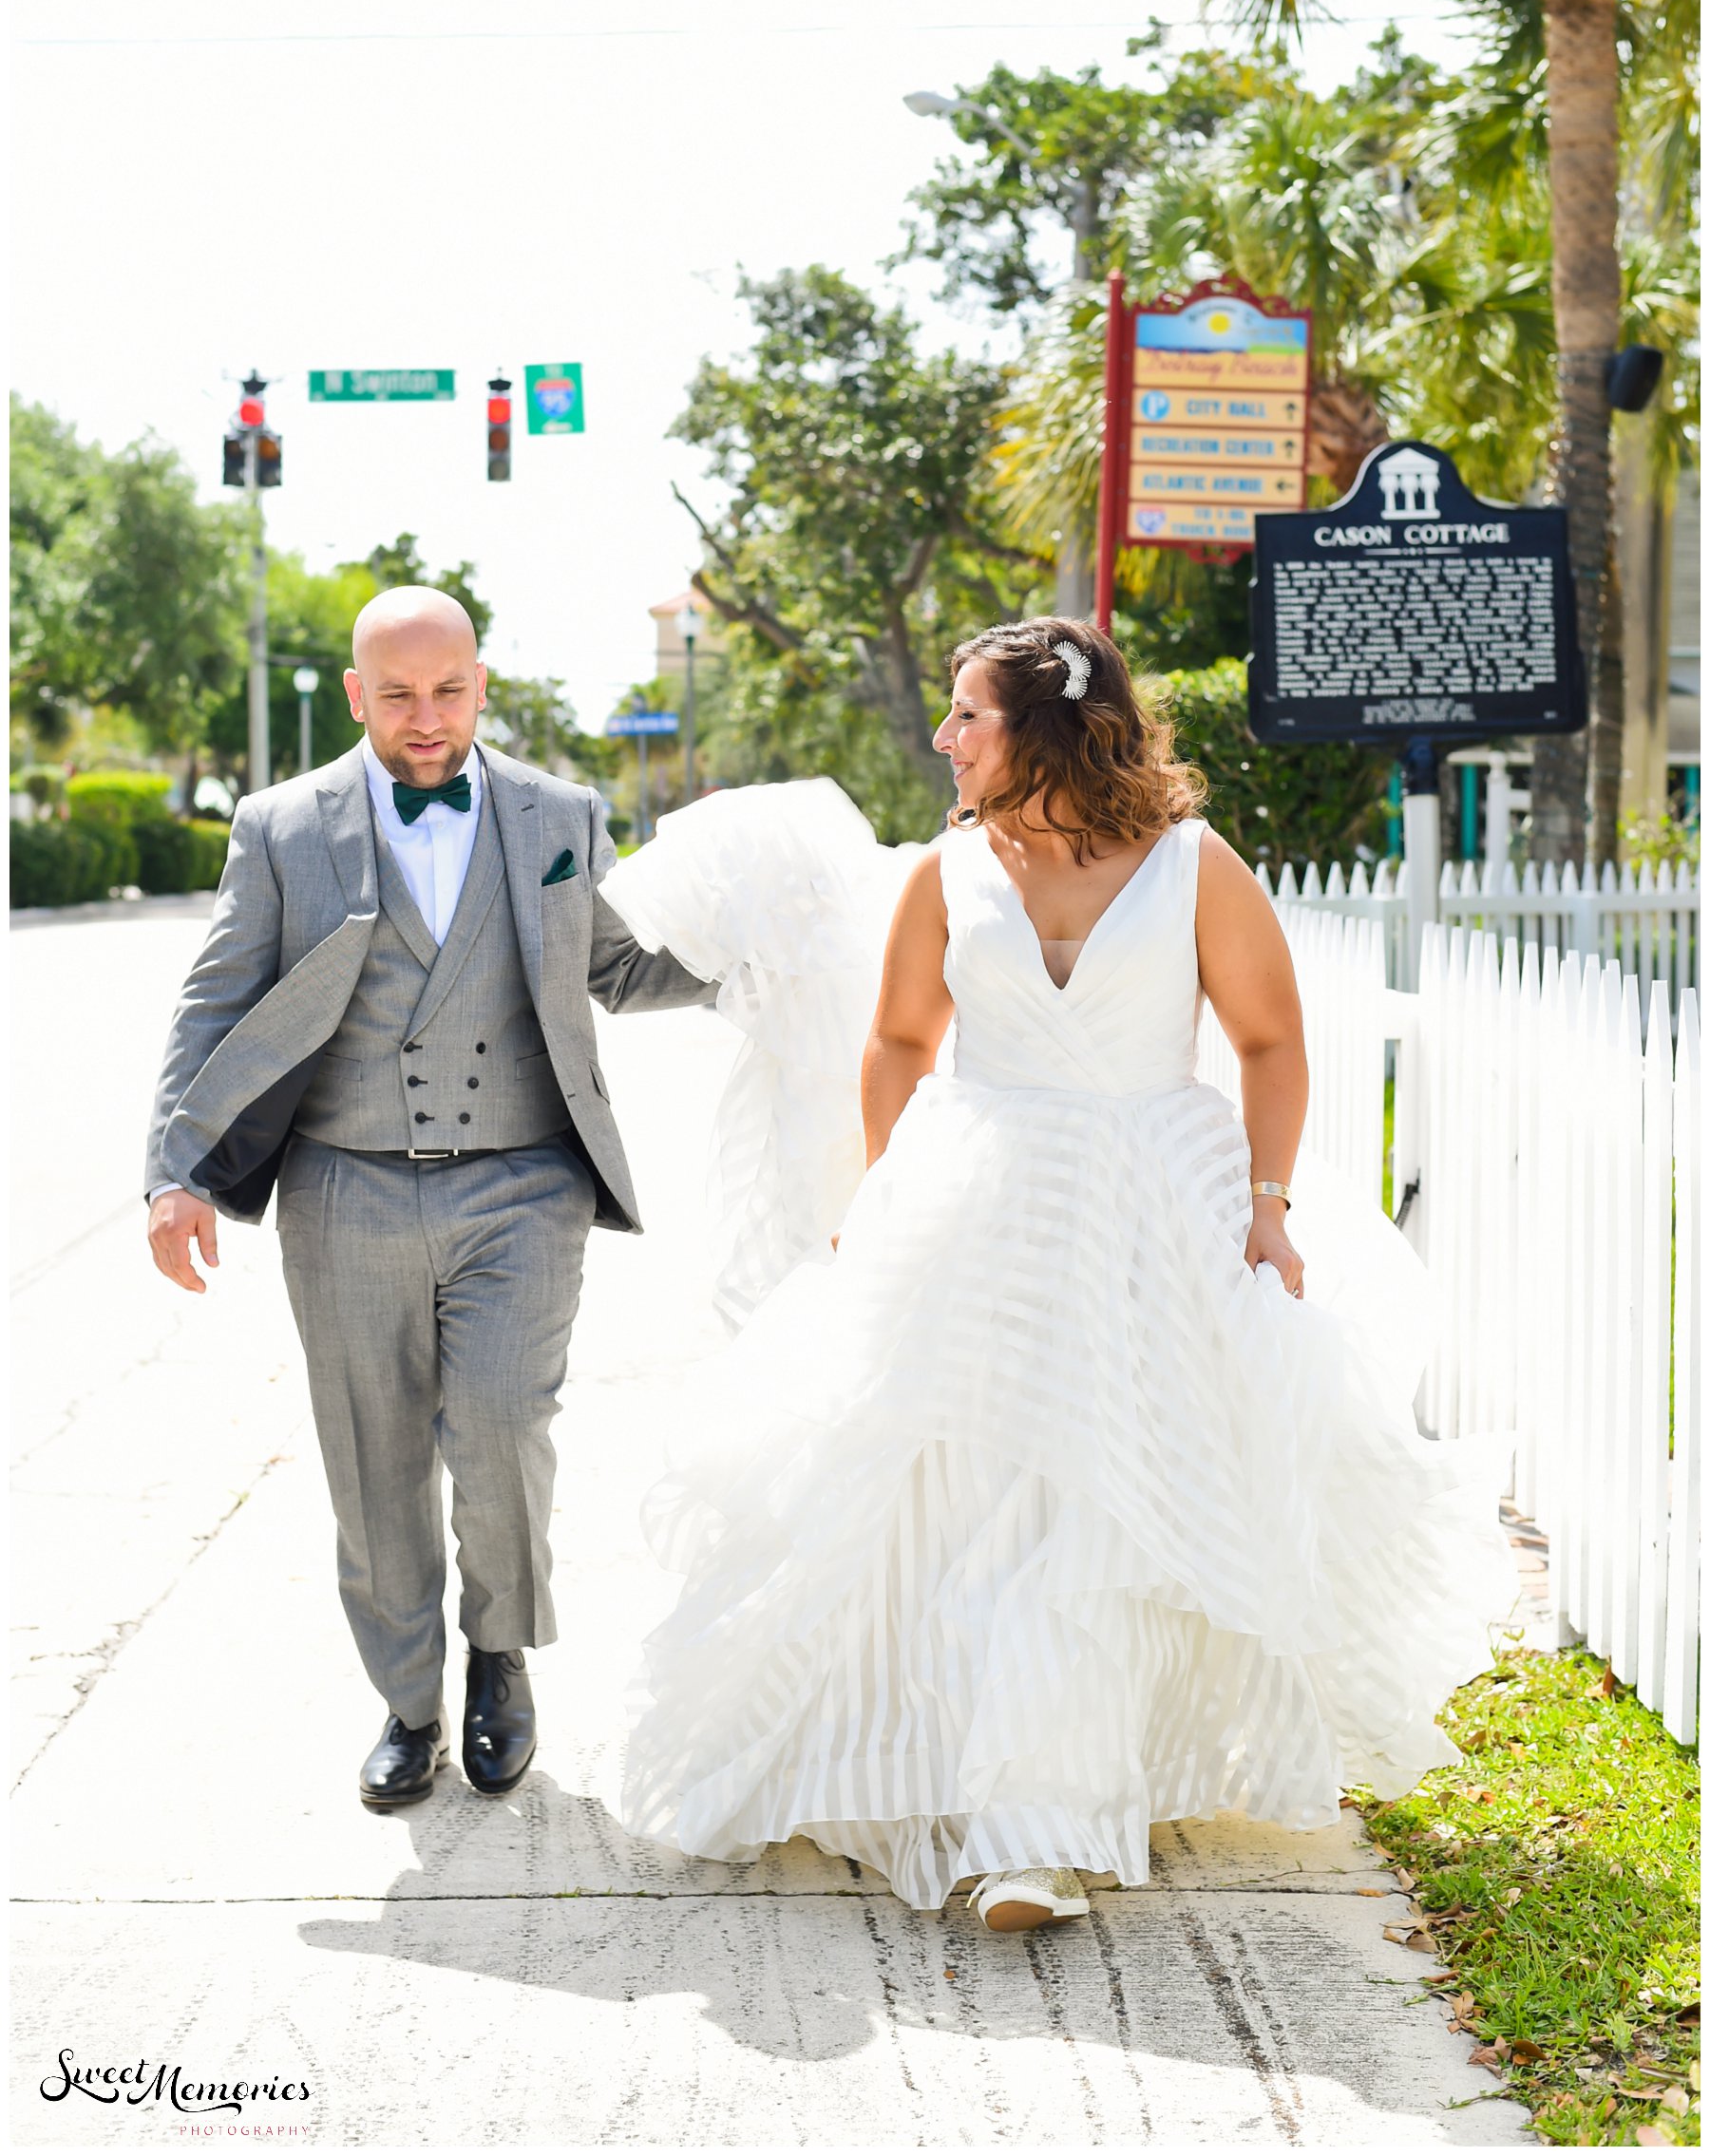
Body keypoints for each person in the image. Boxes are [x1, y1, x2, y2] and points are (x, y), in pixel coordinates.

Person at [611, 616, 1512, 1932]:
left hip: (1156, 1208)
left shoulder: (1194, 867)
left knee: (1102, 1506)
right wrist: (880, 1192)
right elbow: (898, 1041)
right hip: (981, 1206)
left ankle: (1043, 1828)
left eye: (967, 713)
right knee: (955, 1497)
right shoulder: (947, 870)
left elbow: (1269, 1041)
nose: (943, 736)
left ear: (1039, 728)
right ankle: (942, 1769)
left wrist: (1268, 1205)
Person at [144, 587, 718, 1810]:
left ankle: (498, 1657)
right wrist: (173, 1169)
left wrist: (762, 957)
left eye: (448, 689)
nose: (426, 716)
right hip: (343, 1188)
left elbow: (616, 964)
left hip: (524, 1184)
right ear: (356, 693)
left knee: (505, 1431)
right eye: (398, 694)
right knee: (373, 1454)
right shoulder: (281, 826)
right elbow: (215, 1000)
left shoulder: (558, 814)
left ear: (481, 681)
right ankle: (407, 1705)